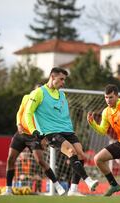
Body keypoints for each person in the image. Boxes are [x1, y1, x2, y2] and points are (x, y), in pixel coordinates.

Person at [24, 67, 99, 196]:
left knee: (80, 154)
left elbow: (63, 114)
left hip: (67, 130)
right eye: (61, 79)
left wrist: (70, 128)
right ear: (52, 77)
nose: (63, 82)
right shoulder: (38, 93)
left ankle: (73, 190)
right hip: (51, 132)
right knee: (71, 151)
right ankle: (88, 181)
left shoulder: (62, 94)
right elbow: (28, 113)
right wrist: (34, 130)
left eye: (64, 79)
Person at [2, 84, 66, 196]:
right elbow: (19, 112)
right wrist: (18, 124)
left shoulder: (45, 104)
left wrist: (45, 137)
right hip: (21, 134)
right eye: (37, 90)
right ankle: (8, 189)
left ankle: (57, 185)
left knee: (40, 161)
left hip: (34, 136)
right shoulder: (26, 97)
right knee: (10, 159)